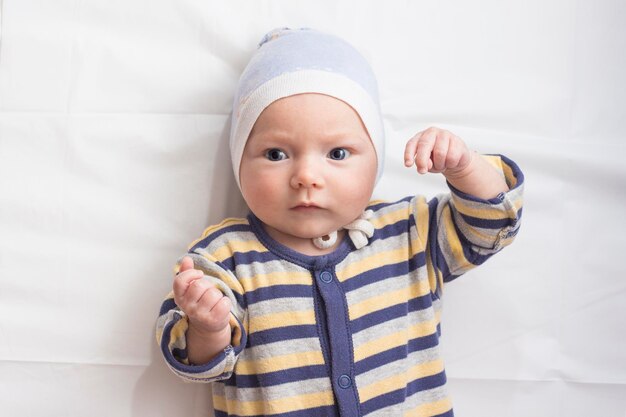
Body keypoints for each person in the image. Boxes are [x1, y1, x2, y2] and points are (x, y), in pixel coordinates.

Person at [156, 27, 524, 417]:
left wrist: (466, 168)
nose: (306, 176)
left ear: (375, 161)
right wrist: (207, 328)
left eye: (337, 153)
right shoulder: (225, 256)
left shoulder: (408, 232)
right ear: (239, 161)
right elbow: (196, 363)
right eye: (277, 154)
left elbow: (490, 226)